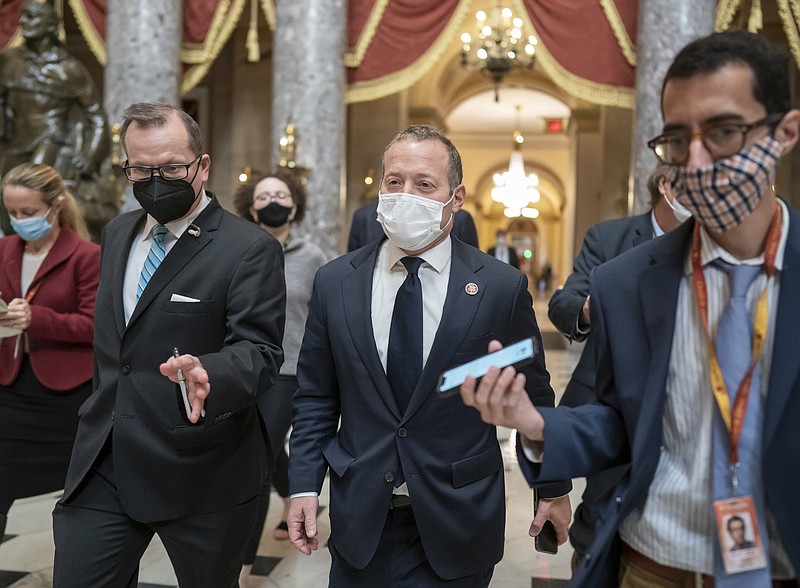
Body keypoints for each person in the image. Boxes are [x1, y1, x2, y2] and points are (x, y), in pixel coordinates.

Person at [458, 31, 800, 587]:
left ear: (784, 132)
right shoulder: (626, 282)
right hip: (654, 563)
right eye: (677, 139)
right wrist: (538, 424)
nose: (695, 160)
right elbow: (622, 420)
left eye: (722, 132)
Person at [287, 124, 571, 587]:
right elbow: (316, 395)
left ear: (455, 199)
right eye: (394, 182)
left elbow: (534, 397)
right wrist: (303, 484)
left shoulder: (500, 288)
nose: (405, 195)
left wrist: (553, 487)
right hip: (362, 513)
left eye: (423, 184)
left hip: (459, 513)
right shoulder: (336, 282)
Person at [51, 102, 286, 588]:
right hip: (107, 458)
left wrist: (212, 374)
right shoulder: (117, 232)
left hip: (201, 467)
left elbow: (260, 351)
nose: (155, 179)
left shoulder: (249, 248)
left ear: (202, 166)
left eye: (170, 168)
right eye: (141, 168)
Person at [547, 163, 685, 567]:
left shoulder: (717, 242)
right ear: (665, 184)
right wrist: (589, 310)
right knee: (600, 528)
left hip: (684, 404)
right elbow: (563, 304)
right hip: (613, 404)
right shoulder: (610, 238)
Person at [232, 168, 327, 585]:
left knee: (254, 459)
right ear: (250, 206)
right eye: (265, 195)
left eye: (282, 195)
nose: (273, 201)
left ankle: (241, 565)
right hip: (240, 366)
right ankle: (293, 496)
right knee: (261, 447)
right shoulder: (237, 249)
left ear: (295, 205)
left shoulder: (314, 257)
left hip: (289, 371)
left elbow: (325, 319)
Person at [0, 162, 99, 545]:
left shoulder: (86, 255)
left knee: (78, 494)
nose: (19, 221)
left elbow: (94, 326)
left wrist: (37, 318)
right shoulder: (4, 249)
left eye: (28, 212)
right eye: (11, 212)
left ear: (55, 207)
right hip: (10, 386)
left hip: (65, 395)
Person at [0, 0, 114, 238]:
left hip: (52, 139)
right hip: (16, 141)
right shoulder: (8, 61)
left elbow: (96, 114)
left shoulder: (70, 69)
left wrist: (89, 157)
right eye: (23, 16)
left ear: (51, 26)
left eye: (32, 17)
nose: (24, 22)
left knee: (33, 192)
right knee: (7, 199)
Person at [347, 196, 480, 252]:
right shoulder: (364, 216)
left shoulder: (461, 219)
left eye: (424, 184)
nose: (407, 191)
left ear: (457, 197)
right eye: (394, 181)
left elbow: (472, 266)